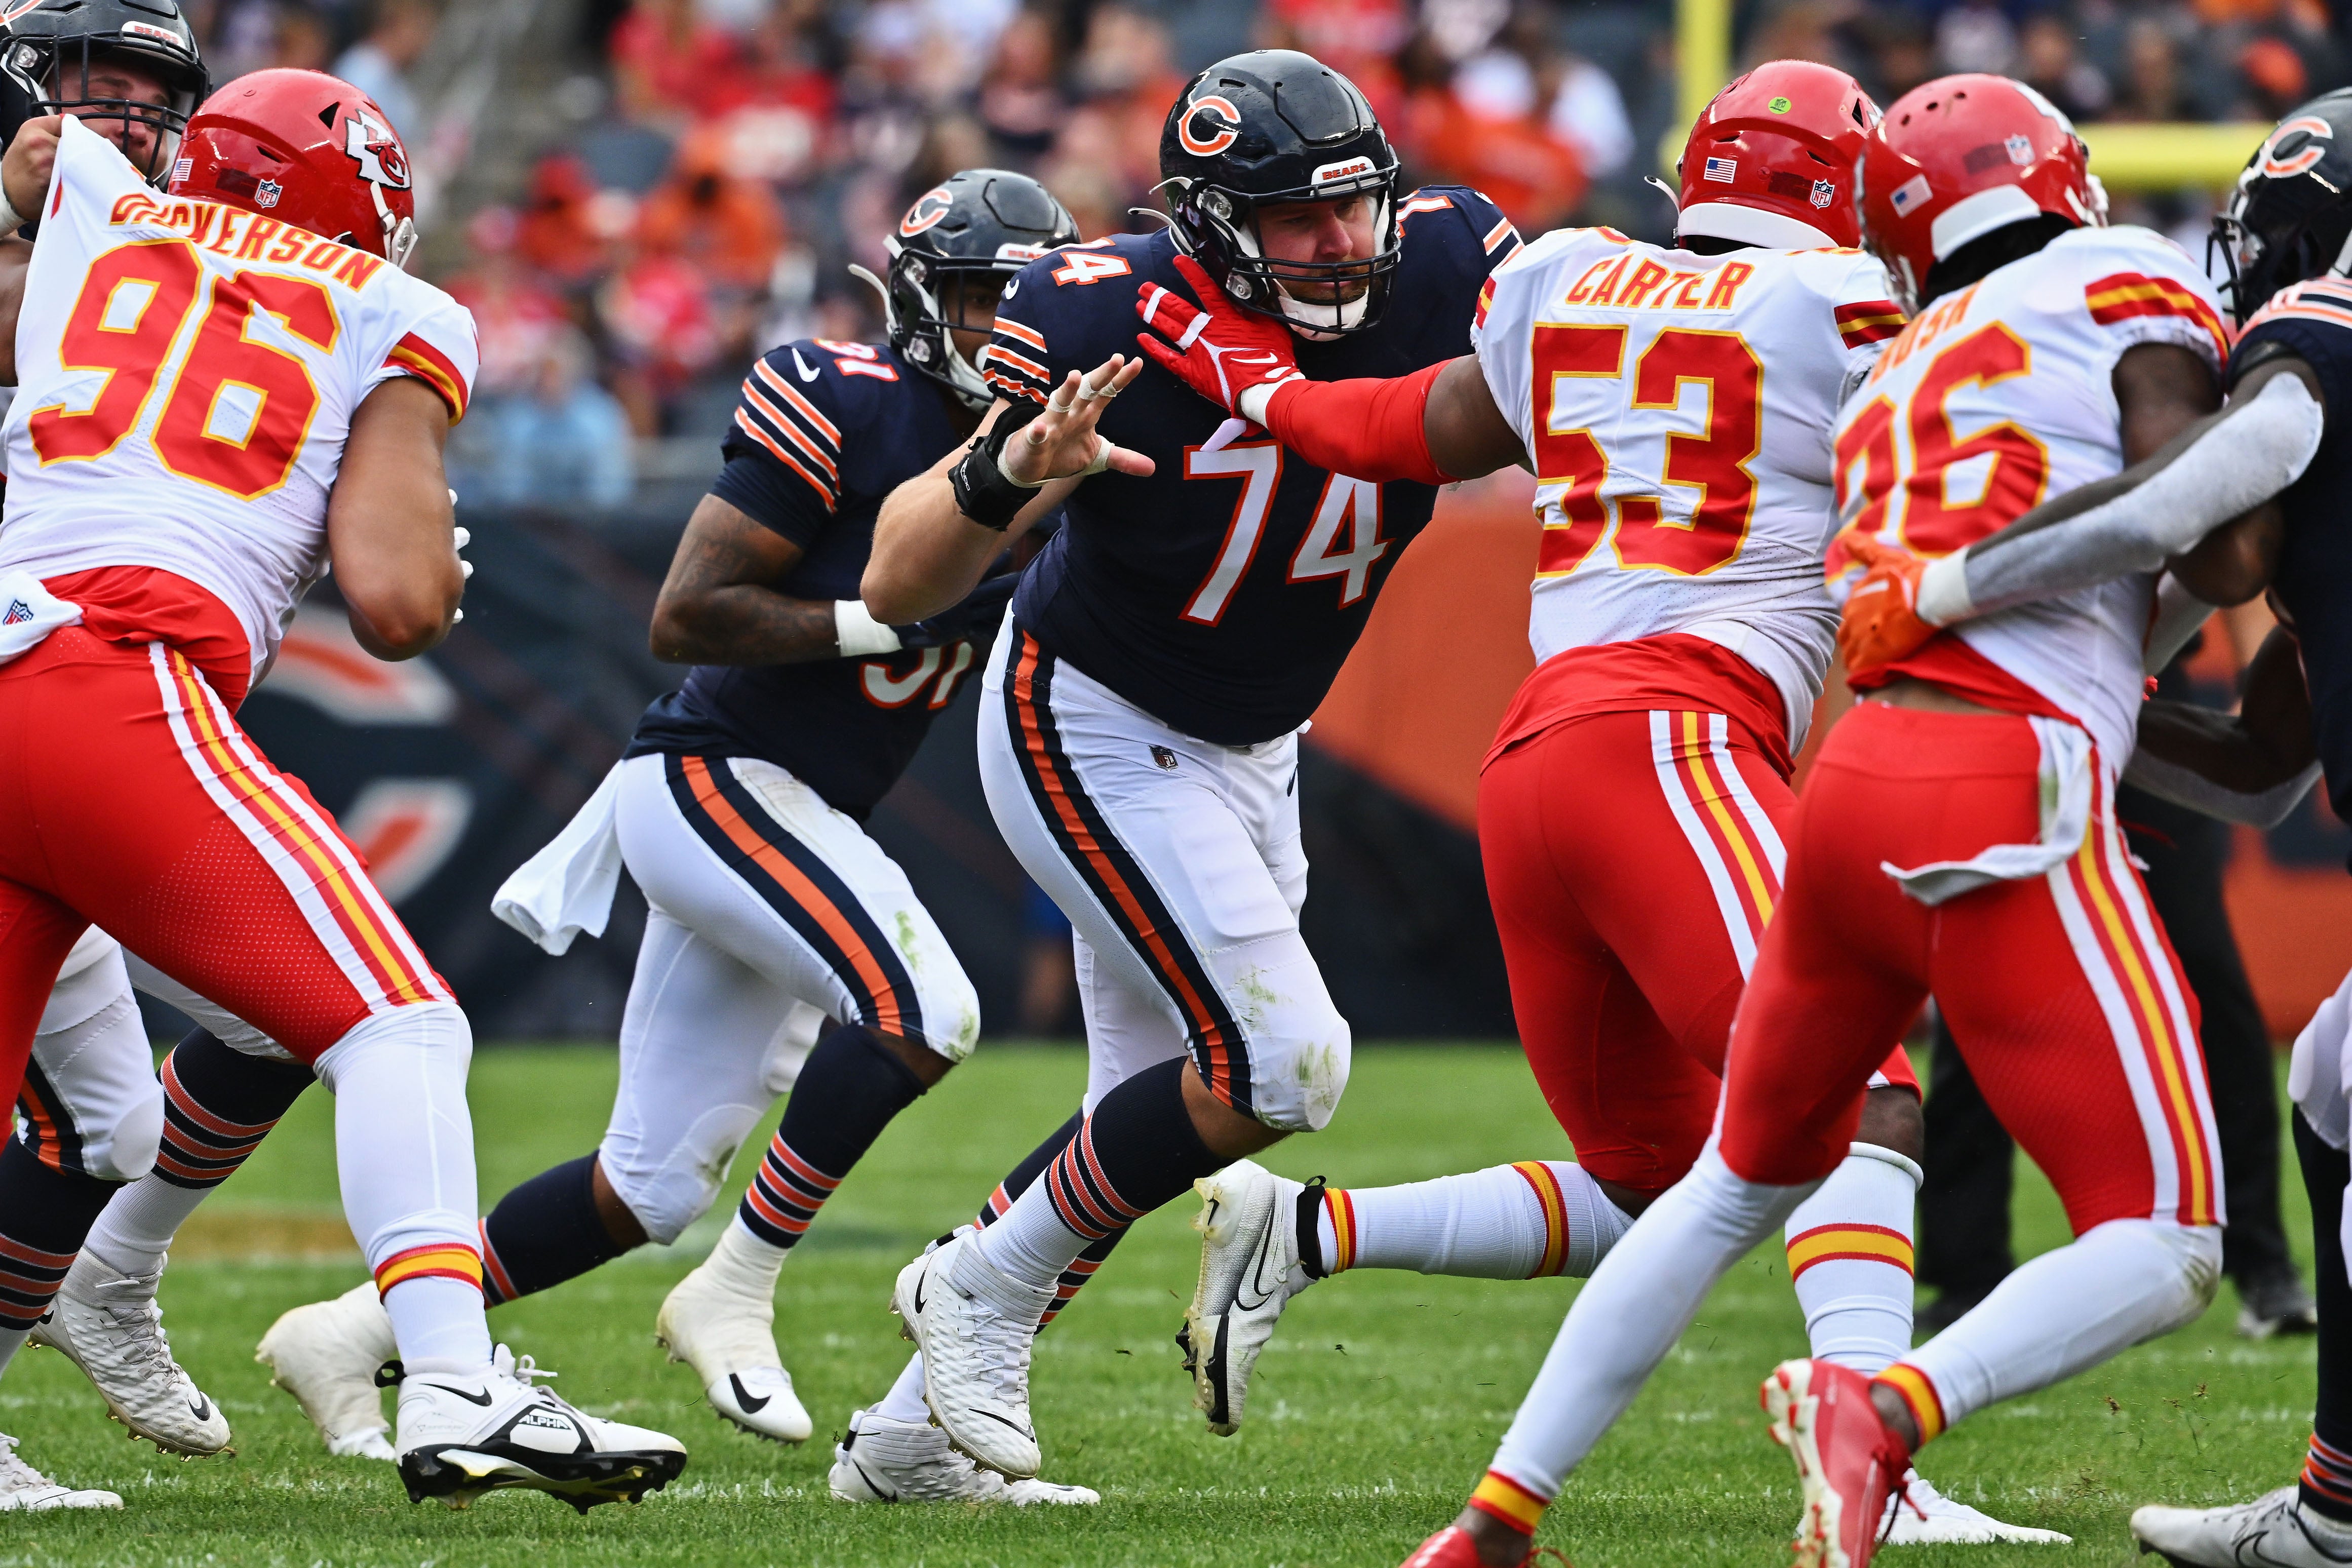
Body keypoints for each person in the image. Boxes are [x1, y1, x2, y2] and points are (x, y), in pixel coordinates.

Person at [1140, 56, 2052, 1557]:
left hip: (1539, 760)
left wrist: (1249, 379)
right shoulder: (1845, 305)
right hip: (1675, 737)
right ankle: (1878, 1465)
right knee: (1862, 1095)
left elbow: (1397, 433)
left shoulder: (1559, 277)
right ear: (1838, 191)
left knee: (1660, 1175)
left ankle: (1309, 1234)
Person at [1421, 71, 2271, 1568]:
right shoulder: (2113, 280)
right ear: (2058, 177)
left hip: (1850, 784)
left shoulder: (1900, 360)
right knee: (2165, 1234)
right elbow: (2198, 533)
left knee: (1735, 1180)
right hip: (1997, 781)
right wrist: (2290, 409)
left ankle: (1495, 1514)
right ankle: (1880, 1406)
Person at [255, 170, 1103, 1507]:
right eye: (985, 297)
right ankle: (739, 1284)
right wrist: (885, 626)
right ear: (924, 300)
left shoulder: (1049, 440)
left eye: (1030, 299)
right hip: (716, 776)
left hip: (796, 805)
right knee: (922, 1010)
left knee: (645, 1183)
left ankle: (352, 1333)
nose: (1007, 327)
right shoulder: (853, 398)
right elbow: (688, 610)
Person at [0, 67, 689, 1510]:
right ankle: (454, 1379)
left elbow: (53, 217)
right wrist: (437, 572)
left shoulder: (94, 221)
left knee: (104, 1112)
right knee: (398, 1023)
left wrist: (41, 185)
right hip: (108, 676)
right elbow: (387, 598)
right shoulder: (399, 308)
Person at [856, 48, 1520, 1484]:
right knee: (1282, 1060)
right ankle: (972, 1285)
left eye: (1354, 207)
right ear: (1214, 225)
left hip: (1255, 741)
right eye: (1297, 219)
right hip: (1089, 713)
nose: (1341, 244)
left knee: (1151, 1115)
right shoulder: (1099, 307)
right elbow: (902, 578)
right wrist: (1014, 465)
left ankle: (908, 1443)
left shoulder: (1451, 258)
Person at [1820, 87, 2352, 1566]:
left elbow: (2202, 495)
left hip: (1934, 690)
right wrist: (2089, 708)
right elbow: (2256, 763)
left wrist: (1946, 595)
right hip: (2026, 759)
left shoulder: (2318, 326)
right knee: (2330, 1076)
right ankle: (2335, 1508)